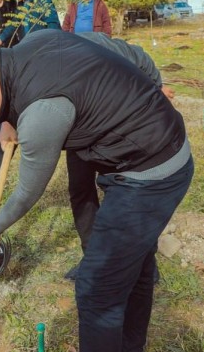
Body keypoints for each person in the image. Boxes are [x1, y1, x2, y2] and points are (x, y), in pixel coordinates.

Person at [0, 30, 193, 352]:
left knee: (96, 288)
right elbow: (124, 51)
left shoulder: (42, 114)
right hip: (140, 152)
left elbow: (28, 191)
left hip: (150, 173)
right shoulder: (37, 43)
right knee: (134, 261)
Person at [62, 32, 175, 282]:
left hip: (116, 129)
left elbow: (141, 58)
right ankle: (91, 260)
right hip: (78, 131)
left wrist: (156, 87)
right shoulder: (48, 69)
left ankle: (145, 263)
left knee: (127, 192)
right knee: (80, 189)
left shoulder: (99, 47)